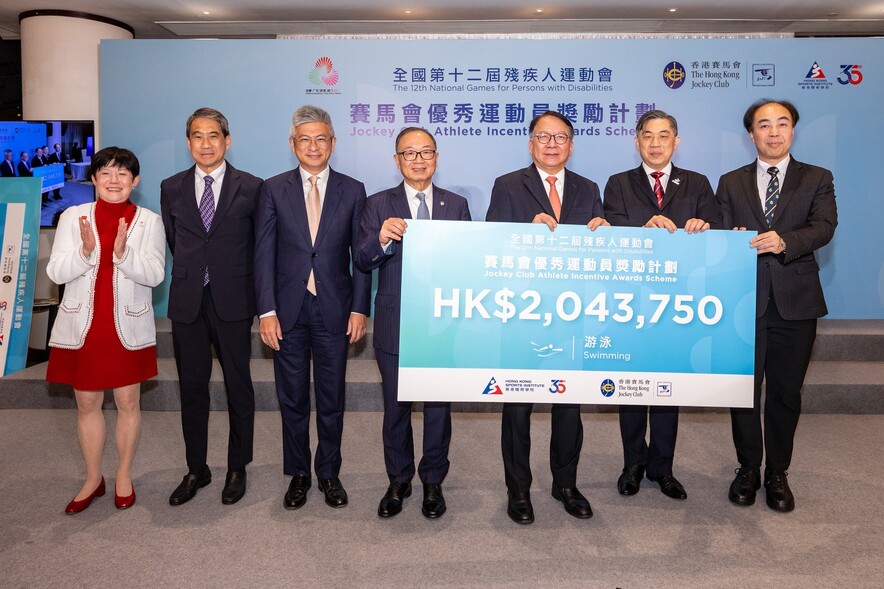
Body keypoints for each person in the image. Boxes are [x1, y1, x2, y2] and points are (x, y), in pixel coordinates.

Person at [485, 110, 608, 524]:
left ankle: (565, 484)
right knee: (518, 407)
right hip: (522, 314)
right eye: (543, 137)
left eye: (560, 137)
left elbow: (599, 251)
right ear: (530, 144)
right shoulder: (507, 185)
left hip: (573, 315)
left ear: (571, 145)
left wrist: (604, 233)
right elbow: (491, 245)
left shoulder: (588, 188)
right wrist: (525, 229)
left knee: (569, 406)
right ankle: (518, 489)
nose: (552, 144)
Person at [716, 99, 837, 513]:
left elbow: (824, 226)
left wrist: (786, 241)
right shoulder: (730, 182)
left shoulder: (817, 177)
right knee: (743, 392)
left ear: (792, 130)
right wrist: (730, 237)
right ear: (751, 134)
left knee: (785, 393)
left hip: (796, 301)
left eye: (782, 124)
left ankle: (778, 472)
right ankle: (748, 468)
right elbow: (719, 232)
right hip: (742, 302)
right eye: (764, 125)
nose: (773, 132)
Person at [255, 105, 371, 510]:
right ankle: (299, 474)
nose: (313, 146)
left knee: (331, 396)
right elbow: (263, 254)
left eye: (321, 138)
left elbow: (361, 256)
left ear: (333, 143)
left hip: (335, 308)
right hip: (287, 310)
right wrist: (266, 311)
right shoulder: (273, 189)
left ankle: (329, 472)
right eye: (305, 139)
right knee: (292, 397)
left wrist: (360, 308)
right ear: (293, 144)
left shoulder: (353, 190)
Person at [603, 109, 721, 502]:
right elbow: (610, 233)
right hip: (631, 302)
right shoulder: (618, 183)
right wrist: (642, 230)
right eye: (648, 136)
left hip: (679, 302)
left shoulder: (698, 183)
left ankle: (663, 467)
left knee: (670, 387)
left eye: (664, 135)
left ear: (676, 141)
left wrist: (704, 228)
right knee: (632, 387)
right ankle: (633, 464)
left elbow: (718, 232)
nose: (656, 143)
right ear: (636, 141)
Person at [355, 127, 471, 519]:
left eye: (425, 152)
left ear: (436, 157)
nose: (418, 160)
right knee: (396, 408)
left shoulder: (457, 205)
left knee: (438, 409)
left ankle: (433, 481)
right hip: (396, 321)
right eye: (409, 153)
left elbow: (468, 264)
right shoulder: (377, 204)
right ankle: (399, 480)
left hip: (441, 325)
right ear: (397, 160)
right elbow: (362, 260)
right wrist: (382, 240)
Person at [45, 147, 165, 514]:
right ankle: (92, 477)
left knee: (128, 401)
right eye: (106, 173)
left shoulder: (149, 221)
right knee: (86, 403)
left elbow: (155, 275)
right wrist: (85, 251)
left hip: (126, 324)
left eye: (122, 174)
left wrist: (124, 253)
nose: (114, 181)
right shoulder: (73, 216)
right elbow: (56, 272)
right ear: (94, 179)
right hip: (83, 325)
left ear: (135, 181)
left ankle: (124, 474)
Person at [161, 108, 263, 506]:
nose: (206, 144)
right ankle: (196, 469)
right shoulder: (171, 187)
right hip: (188, 301)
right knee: (191, 388)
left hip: (233, 300)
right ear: (188, 142)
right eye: (198, 136)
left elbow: (257, 246)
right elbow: (176, 240)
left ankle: (237, 467)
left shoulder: (251, 187)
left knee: (239, 386)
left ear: (227, 140)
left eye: (213, 136)